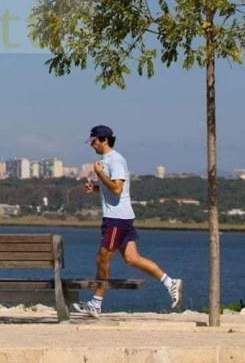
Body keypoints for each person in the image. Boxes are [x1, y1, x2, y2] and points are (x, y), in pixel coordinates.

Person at [71, 125, 183, 318]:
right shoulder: (106, 161)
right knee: (132, 259)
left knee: (102, 258)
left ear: (104, 140)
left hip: (117, 219)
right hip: (119, 218)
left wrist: (99, 174)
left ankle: (95, 304)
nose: (92, 145)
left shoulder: (116, 160)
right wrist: (96, 188)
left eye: (94, 141)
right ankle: (170, 282)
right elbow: (113, 189)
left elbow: (117, 189)